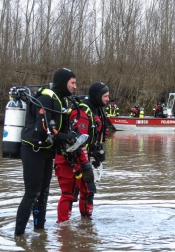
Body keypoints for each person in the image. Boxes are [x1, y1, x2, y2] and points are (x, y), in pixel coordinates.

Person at [15, 68, 77, 236]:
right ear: (64, 82)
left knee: (43, 192)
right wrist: (66, 137)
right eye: (72, 83)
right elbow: (44, 130)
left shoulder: (61, 100)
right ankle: (18, 236)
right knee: (32, 192)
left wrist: (69, 139)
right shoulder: (45, 98)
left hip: (46, 152)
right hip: (32, 150)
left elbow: (58, 129)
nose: (75, 87)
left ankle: (39, 232)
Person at [56, 82, 110, 222]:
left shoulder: (98, 110)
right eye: (105, 96)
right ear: (97, 96)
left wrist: (97, 155)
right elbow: (78, 141)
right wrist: (85, 166)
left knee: (88, 191)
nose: (107, 99)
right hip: (70, 158)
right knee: (69, 194)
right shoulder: (82, 112)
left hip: (85, 158)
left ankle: (86, 225)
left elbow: (95, 138)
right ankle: (63, 229)